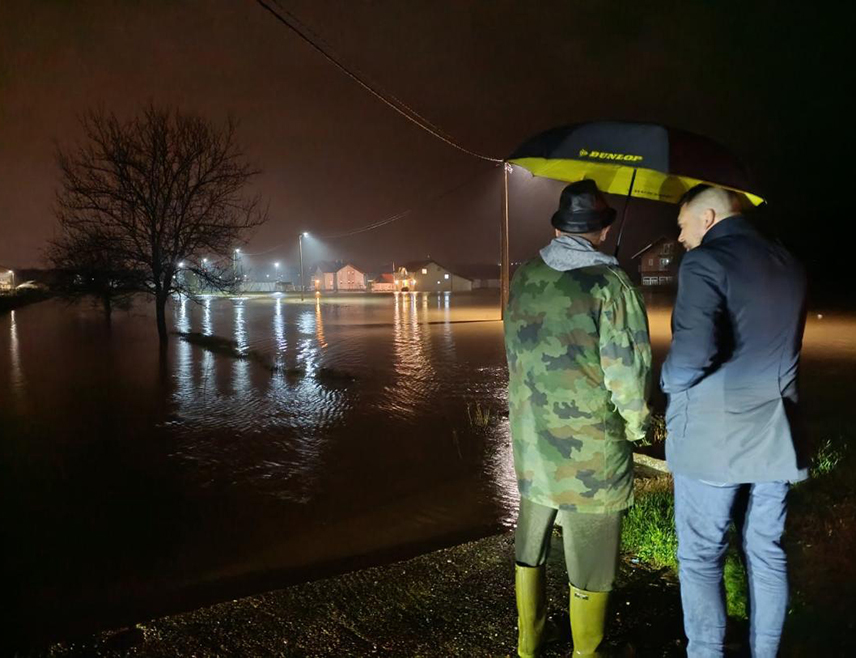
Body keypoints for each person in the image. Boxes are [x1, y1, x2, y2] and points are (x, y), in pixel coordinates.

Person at [504, 179, 652, 657]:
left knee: (532, 542)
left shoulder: (524, 274)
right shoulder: (612, 284)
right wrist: (636, 426)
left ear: (559, 227)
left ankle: (529, 644)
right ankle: (585, 653)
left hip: (531, 442)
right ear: (603, 230)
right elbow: (627, 370)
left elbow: (514, 355)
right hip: (589, 452)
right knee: (590, 558)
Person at [661, 184, 808, 658]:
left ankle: (706, 651)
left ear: (707, 217)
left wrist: (665, 379)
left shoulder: (704, 263)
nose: (681, 237)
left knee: (702, 556)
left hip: (712, 436)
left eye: (682, 226)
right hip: (777, 430)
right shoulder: (788, 260)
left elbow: (692, 356)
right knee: (767, 551)